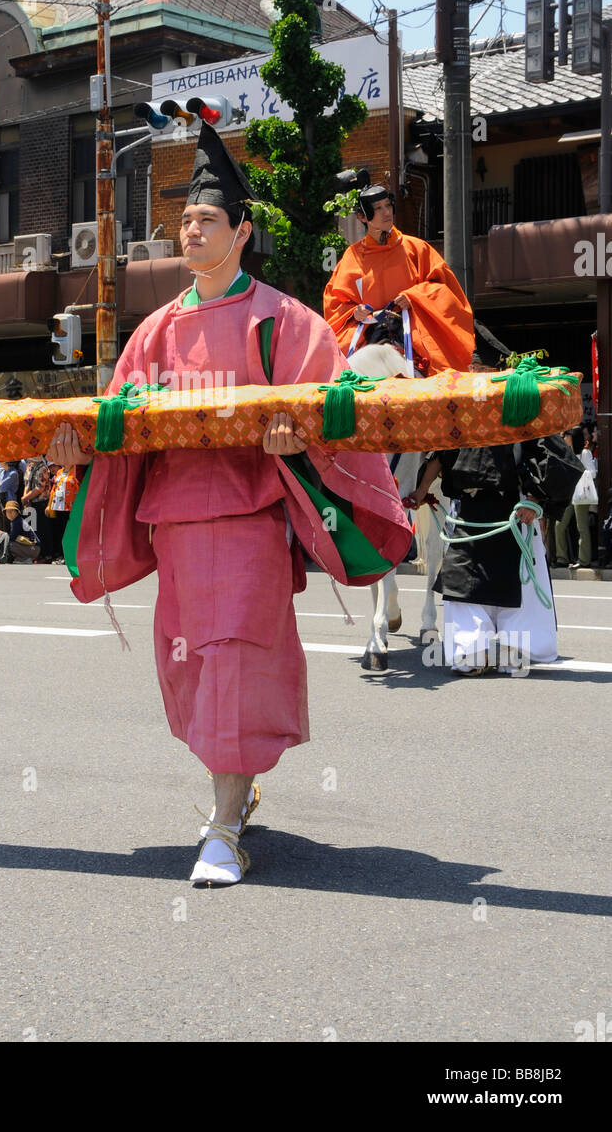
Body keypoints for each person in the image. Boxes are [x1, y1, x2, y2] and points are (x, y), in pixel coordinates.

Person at [49, 121, 411, 887]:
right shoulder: (153, 332)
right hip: (175, 524)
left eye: (205, 219)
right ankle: (236, 789)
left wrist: (296, 442)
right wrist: (81, 454)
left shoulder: (283, 319)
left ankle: (219, 829)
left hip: (246, 523)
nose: (189, 229)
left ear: (242, 231)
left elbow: (329, 408)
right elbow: (121, 428)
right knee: (188, 672)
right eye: (182, 220)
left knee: (232, 664)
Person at [406, 332, 583, 675]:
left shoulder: (519, 405)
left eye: (481, 367)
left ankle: (512, 650)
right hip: (469, 516)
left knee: (516, 587)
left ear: (496, 370)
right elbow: (439, 456)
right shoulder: (460, 409)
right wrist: (420, 491)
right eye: (471, 368)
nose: (475, 373)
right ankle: (471, 653)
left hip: (513, 514)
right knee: (461, 583)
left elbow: (555, 458)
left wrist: (534, 499)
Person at [323, 184, 475, 374]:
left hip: (413, 333)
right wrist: (354, 312)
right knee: (343, 375)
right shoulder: (351, 257)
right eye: (378, 208)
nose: (386, 212)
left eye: (388, 205)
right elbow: (335, 302)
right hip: (369, 333)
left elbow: (444, 289)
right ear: (363, 217)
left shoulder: (416, 248)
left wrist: (414, 297)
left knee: (436, 371)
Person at [555, 427, 597, 569]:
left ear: (572, 437)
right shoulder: (566, 452)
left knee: (582, 526)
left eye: (566, 435)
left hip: (581, 494)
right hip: (568, 494)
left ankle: (584, 560)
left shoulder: (585, 453)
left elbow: (593, 473)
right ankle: (562, 558)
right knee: (559, 525)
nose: (564, 438)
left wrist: (578, 471)